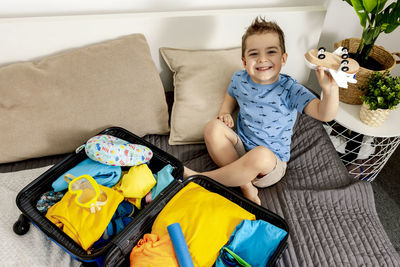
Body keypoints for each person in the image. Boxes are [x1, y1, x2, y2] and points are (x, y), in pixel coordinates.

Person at [184, 17, 338, 205]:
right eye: (254, 53)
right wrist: (225, 111)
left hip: (269, 164)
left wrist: (330, 91)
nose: (262, 59)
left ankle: (201, 178)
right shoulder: (239, 79)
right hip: (240, 150)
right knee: (211, 128)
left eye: (271, 52)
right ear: (244, 61)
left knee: (261, 154)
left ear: (283, 59)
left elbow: (324, 114)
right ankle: (246, 185)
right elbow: (231, 93)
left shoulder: (290, 89)